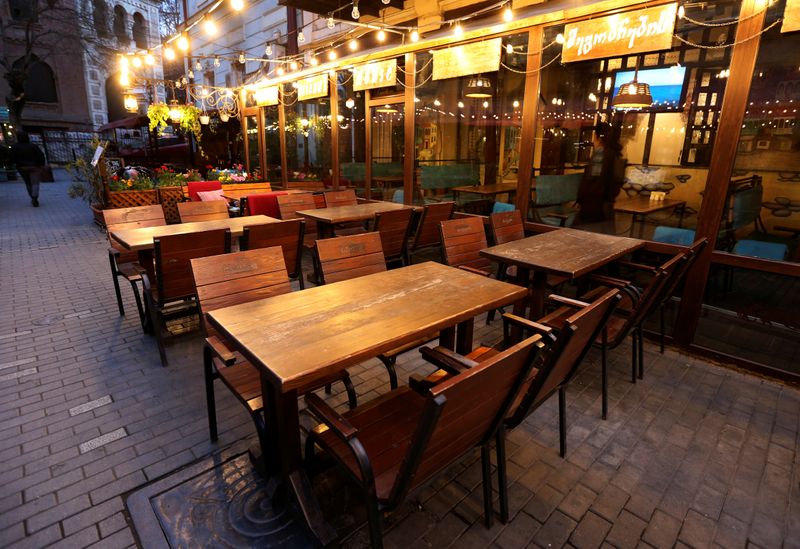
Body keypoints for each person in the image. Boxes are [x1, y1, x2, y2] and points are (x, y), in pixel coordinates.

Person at [575, 122, 626, 232]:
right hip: (607, 206)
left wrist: (580, 199)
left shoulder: (600, 154)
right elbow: (618, 181)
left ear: (598, 138)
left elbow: (592, 182)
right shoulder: (616, 154)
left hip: (593, 208)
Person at [11, 131, 46, 207]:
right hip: (34, 167)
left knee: (28, 183)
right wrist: (42, 164)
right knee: (35, 183)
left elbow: (12, 158)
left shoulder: (15, 147)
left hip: (22, 167)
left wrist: (16, 164)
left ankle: (32, 196)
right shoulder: (33, 146)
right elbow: (41, 155)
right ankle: (35, 197)